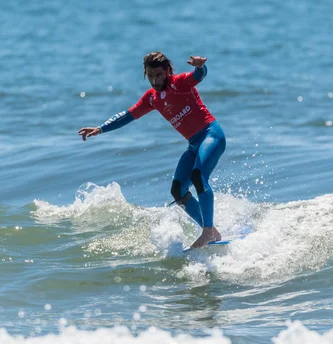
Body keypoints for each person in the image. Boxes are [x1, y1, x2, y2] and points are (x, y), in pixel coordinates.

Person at [78, 52, 226, 248]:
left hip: (211, 135)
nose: (155, 81)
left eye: (158, 75)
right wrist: (101, 128)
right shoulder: (152, 98)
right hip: (193, 144)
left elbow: (198, 76)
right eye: (150, 76)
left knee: (198, 176)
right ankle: (212, 231)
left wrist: (200, 66)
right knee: (178, 190)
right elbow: (129, 115)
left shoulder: (180, 83)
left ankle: (206, 231)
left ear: (167, 71)